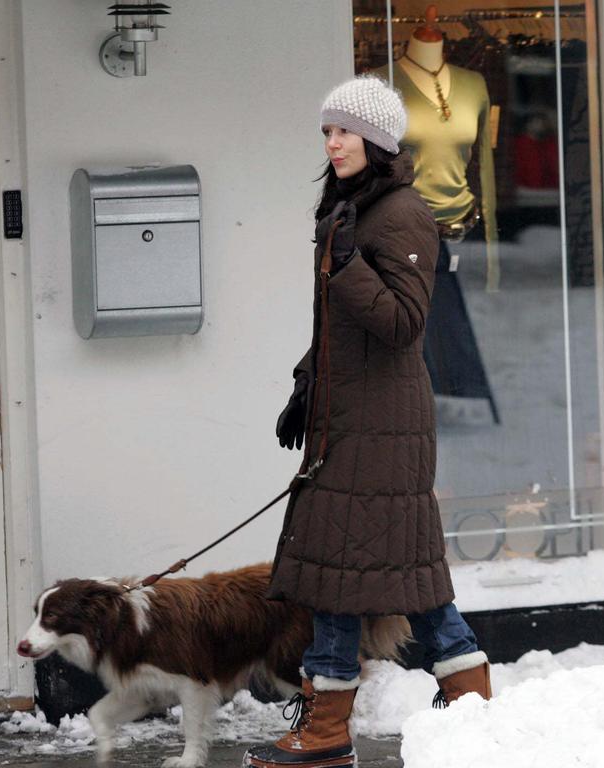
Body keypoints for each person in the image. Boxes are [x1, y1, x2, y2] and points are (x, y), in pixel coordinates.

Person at [245, 76, 491, 768]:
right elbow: (340, 330)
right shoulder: (353, 210)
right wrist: (305, 384)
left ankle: (333, 729)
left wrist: (347, 265)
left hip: (383, 427)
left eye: (344, 132)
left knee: (346, 569)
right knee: (365, 571)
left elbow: (403, 323)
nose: (332, 143)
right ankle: (466, 704)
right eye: (327, 132)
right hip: (349, 420)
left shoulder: (401, 213)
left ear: (378, 142)